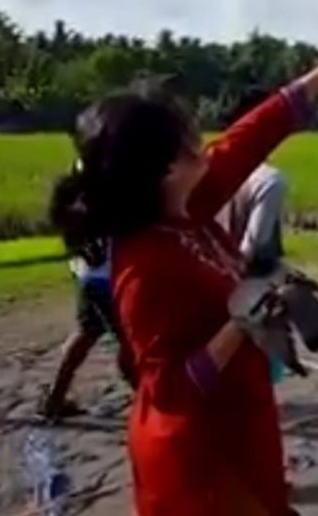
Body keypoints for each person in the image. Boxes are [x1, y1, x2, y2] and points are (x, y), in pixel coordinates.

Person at [47, 13, 318, 515]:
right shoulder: (145, 267)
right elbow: (169, 392)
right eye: (187, 136)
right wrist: (241, 323)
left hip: (240, 432)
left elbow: (251, 136)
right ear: (165, 169)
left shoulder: (186, 209)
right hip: (202, 468)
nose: (203, 140)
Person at [41, 162, 289, 419]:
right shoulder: (104, 201)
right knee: (131, 349)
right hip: (107, 281)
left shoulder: (85, 201)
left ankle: (56, 398)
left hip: (92, 278)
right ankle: (158, 407)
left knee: (88, 334)